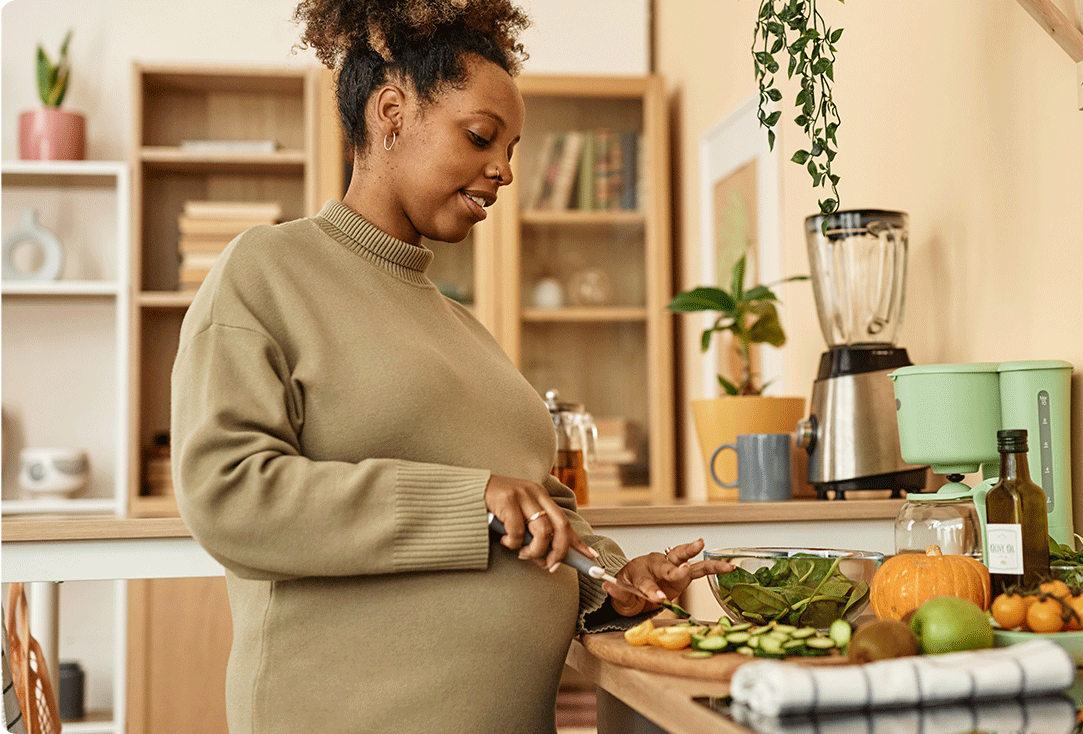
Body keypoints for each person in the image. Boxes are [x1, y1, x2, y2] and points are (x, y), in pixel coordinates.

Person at [169, 1, 732, 731]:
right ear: (392, 112)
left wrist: (606, 583)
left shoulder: (464, 324)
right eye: (480, 137)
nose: (502, 169)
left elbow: (532, 509)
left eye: (513, 148)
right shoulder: (268, 271)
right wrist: (470, 502)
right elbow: (226, 494)